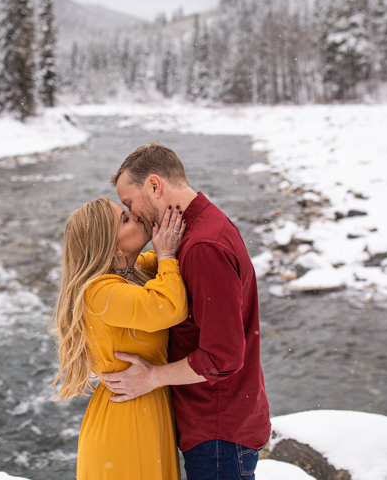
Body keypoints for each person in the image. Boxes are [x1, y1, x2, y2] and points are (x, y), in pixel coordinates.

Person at [102, 141, 271, 480]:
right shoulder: (198, 229)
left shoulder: (202, 246)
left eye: (129, 204)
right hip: (215, 423)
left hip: (218, 428)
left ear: (154, 185)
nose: (134, 215)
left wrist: (150, 378)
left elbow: (223, 356)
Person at [53, 196, 188, 480]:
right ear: (112, 247)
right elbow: (169, 307)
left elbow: (166, 268)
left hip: (143, 406)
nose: (137, 216)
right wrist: (166, 255)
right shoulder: (100, 292)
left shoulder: (130, 272)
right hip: (125, 421)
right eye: (125, 219)